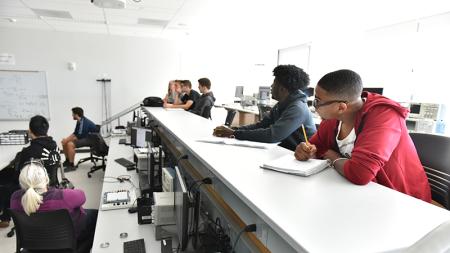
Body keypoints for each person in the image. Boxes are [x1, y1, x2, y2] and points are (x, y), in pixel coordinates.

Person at [294, 69, 431, 202]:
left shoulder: (384, 116)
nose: (313, 106)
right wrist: (306, 151)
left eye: (317, 101)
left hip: (401, 199)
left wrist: (333, 158)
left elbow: (360, 173)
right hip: (359, 194)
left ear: (341, 107)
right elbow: (316, 147)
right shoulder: (333, 119)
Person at [213, 65, 316, 151]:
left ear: (282, 88)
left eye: (274, 82)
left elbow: (272, 135)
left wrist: (234, 133)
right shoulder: (281, 105)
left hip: (298, 158)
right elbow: (262, 125)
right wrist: (234, 129)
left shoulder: (297, 108)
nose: (271, 86)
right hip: (282, 152)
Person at [10, 160, 98, 253]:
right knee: (97, 216)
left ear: (21, 182)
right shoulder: (63, 196)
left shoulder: (14, 199)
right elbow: (82, 197)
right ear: (46, 179)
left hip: (34, 247)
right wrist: (63, 190)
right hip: (69, 245)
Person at [0, 115, 59, 228]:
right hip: (50, 182)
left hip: (33, 186)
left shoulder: (28, 152)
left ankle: (5, 217)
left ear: (30, 131)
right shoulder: (54, 145)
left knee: (5, 181)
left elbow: (19, 177)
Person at [61, 107, 97, 172]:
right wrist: (66, 139)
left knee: (70, 144)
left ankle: (71, 165)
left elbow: (80, 136)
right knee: (64, 142)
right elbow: (75, 133)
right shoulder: (79, 121)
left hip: (91, 139)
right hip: (85, 137)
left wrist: (68, 140)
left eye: (73, 114)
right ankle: (67, 161)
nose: (72, 115)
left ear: (76, 115)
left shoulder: (85, 122)